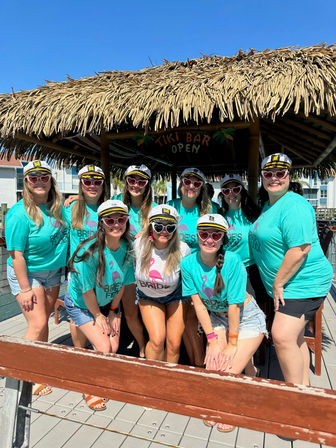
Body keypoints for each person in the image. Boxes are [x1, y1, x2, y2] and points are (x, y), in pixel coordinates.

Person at [249, 153, 333, 386]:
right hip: (291, 283)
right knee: (296, 337)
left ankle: (294, 398)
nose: (274, 178)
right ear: (263, 177)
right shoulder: (270, 205)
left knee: (282, 335)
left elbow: (300, 249)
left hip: (302, 283)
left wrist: (277, 283)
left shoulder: (295, 205)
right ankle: (303, 388)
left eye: (280, 173)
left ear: (289, 175)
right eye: (268, 173)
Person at [181, 214, 267, 432]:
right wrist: (211, 340)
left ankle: (232, 407)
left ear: (223, 239)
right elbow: (199, 305)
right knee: (214, 368)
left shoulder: (233, 262)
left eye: (216, 234)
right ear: (197, 236)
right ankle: (249, 368)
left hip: (246, 318)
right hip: (218, 317)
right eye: (204, 234)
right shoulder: (188, 263)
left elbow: (234, 307)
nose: (209, 239)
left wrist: (232, 342)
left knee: (227, 370)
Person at [6, 160, 68, 396]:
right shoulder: (18, 214)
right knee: (39, 323)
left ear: (51, 180)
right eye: (34, 177)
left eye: (44, 177)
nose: (40, 181)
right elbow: (16, 255)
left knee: (42, 320)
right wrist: (24, 289)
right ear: (27, 181)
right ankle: (18, 372)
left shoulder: (58, 206)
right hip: (27, 273)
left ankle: (39, 368)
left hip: (53, 272)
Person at [66, 200, 134, 410]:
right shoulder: (89, 252)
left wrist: (113, 311)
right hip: (83, 304)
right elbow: (86, 292)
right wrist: (98, 316)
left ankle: (100, 374)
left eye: (120, 219)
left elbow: (122, 284)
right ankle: (89, 387)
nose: (116, 224)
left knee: (113, 347)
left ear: (127, 221)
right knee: (104, 347)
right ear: (101, 223)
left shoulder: (127, 247)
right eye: (110, 220)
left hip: (108, 302)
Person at [219, 174, 269, 374]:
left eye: (235, 189)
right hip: (226, 271)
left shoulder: (254, 214)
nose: (231, 194)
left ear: (242, 191)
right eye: (226, 190)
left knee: (245, 315)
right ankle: (242, 362)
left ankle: (244, 359)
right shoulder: (219, 215)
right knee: (227, 314)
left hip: (251, 271)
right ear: (222, 194)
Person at [168, 168, 217, 367]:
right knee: (182, 323)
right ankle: (192, 362)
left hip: (197, 271)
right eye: (187, 181)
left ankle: (197, 363)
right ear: (181, 183)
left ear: (202, 188)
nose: (191, 186)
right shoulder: (170, 206)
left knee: (192, 320)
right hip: (170, 272)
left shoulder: (209, 210)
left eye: (196, 184)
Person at [133, 205, 190, 362]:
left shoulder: (183, 250)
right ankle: (153, 378)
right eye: (158, 226)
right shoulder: (138, 245)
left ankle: (168, 380)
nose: (164, 231)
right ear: (151, 228)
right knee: (157, 341)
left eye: (170, 227)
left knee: (174, 344)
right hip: (148, 295)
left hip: (175, 296)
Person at [112, 164, 158, 357]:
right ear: (126, 182)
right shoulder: (115, 202)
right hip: (123, 267)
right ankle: (134, 347)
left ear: (147, 185)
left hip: (149, 268)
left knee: (146, 311)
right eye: (132, 180)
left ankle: (147, 346)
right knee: (127, 312)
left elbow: (168, 235)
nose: (136, 185)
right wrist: (73, 200)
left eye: (141, 181)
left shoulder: (155, 209)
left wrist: (150, 234)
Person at [63, 165, 107, 349]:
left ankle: (99, 347)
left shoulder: (107, 208)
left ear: (103, 185)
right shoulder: (70, 208)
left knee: (99, 310)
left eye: (97, 182)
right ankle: (80, 352)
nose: (92, 185)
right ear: (81, 184)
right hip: (77, 271)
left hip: (102, 271)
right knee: (76, 316)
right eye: (87, 182)